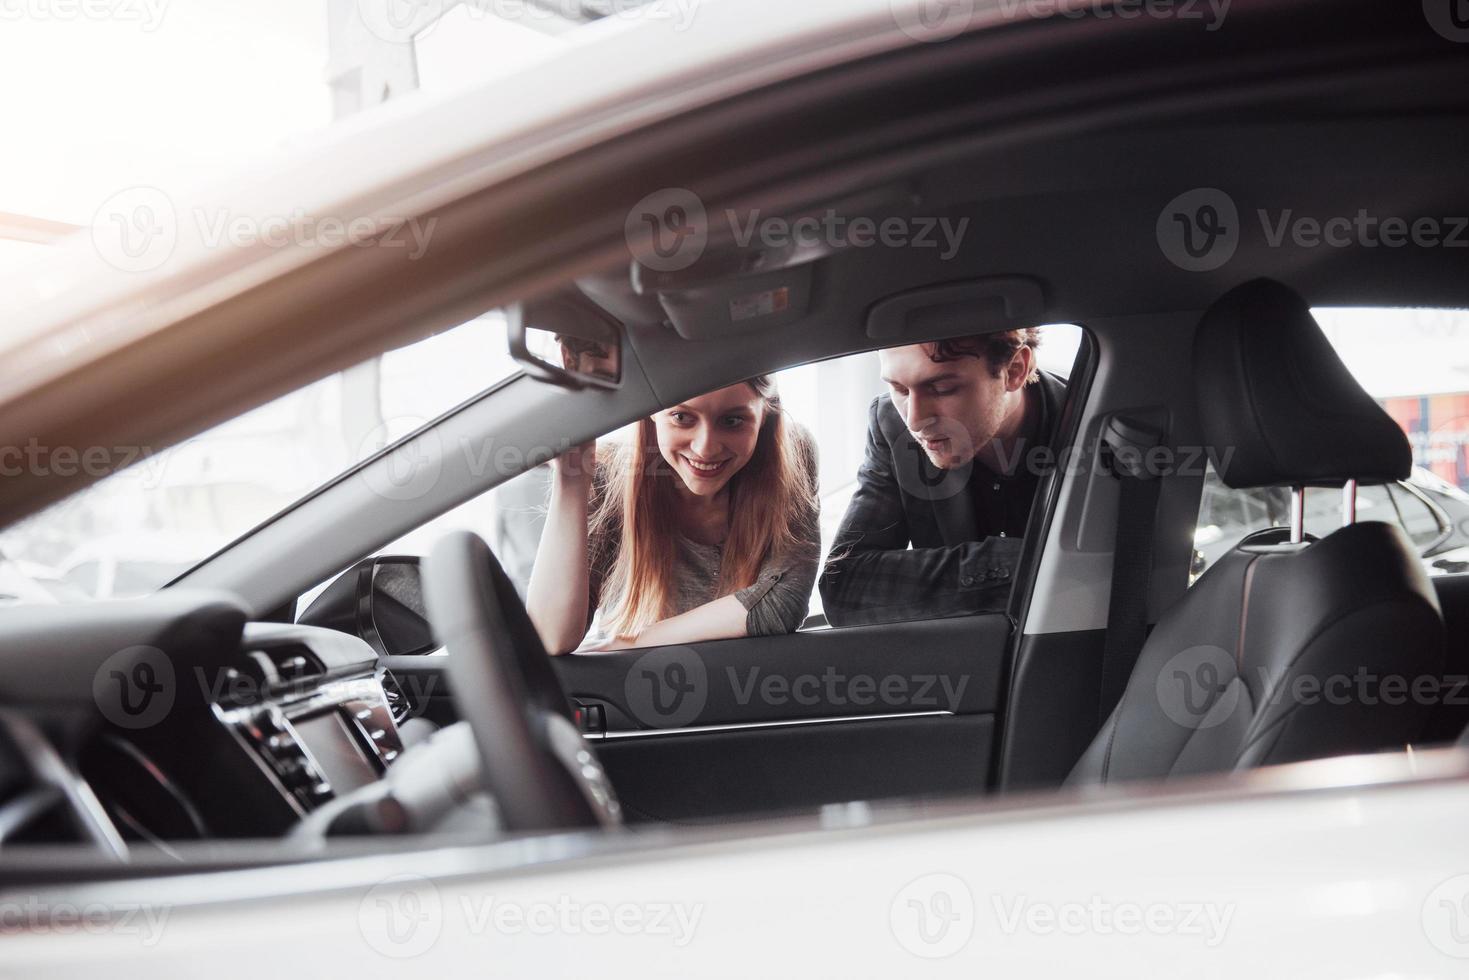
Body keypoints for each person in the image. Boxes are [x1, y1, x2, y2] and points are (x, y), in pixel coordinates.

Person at [527, 376, 820, 654]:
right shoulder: (608, 474)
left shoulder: (792, 458)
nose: (705, 447)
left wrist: (625, 645)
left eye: (732, 421)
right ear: (652, 411)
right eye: (682, 417)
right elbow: (551, 636)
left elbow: (780, 605)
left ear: (765, 413)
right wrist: (571, 481)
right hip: (639, 696)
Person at [818, 328, 1066, 627]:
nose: (914, 420)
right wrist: (1032, 563)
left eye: (942, 388)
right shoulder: (892, 425)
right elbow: (844, 587)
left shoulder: (1088, 422)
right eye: (899, 389)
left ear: (1014, 370)